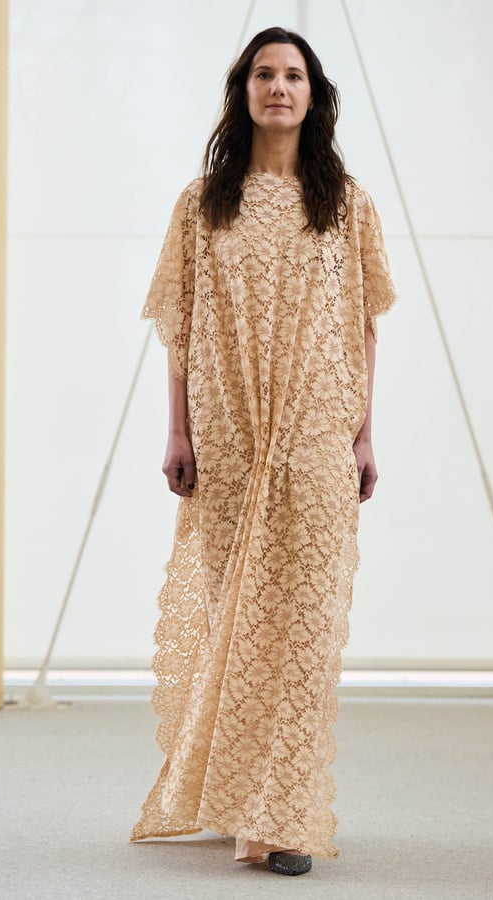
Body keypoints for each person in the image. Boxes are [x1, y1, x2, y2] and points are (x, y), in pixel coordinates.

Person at [130, 26, 397, 877]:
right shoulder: (202, 205)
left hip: (318, 429)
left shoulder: (346, 205)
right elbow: (180, 328)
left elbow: (362, 327)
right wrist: (177, 430)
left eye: (293, 76)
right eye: (263, 74)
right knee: (236, 616)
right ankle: (245, 800)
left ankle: (277, 817)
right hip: (228, 431)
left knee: (303, 627)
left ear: (314, 96)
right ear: (242, 91)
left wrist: (364, 431)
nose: (278, 86)